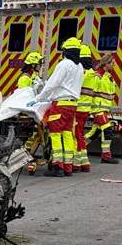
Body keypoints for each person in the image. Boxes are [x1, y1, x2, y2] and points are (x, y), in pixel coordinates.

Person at [34, 37, 86, 178]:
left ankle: (57, 167)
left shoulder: (64, 64)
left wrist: (38, 98)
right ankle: (68, 167)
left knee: (55, 134)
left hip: (61, 105)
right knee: (67, 134)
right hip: (72, 105)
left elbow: (52, 84)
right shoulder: (79, 67)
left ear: (66, 51)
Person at [87, 54, 119, 164]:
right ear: (106, 63)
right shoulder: (98, 76)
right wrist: (90, 109)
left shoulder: (108, 76)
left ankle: (77, 147)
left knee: (94, 134)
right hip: (98, 109)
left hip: (104, 109)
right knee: (107, 130)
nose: (114, 65)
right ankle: (106, 156)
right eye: (112, 63)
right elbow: (91, 93)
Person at [73, 43, 97, 172]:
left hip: (78, 109)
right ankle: (85, 162)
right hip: (85, 110)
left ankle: (76, 163)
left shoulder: (83, 73)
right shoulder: (92, 73)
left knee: (76, 136)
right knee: (80, 135)